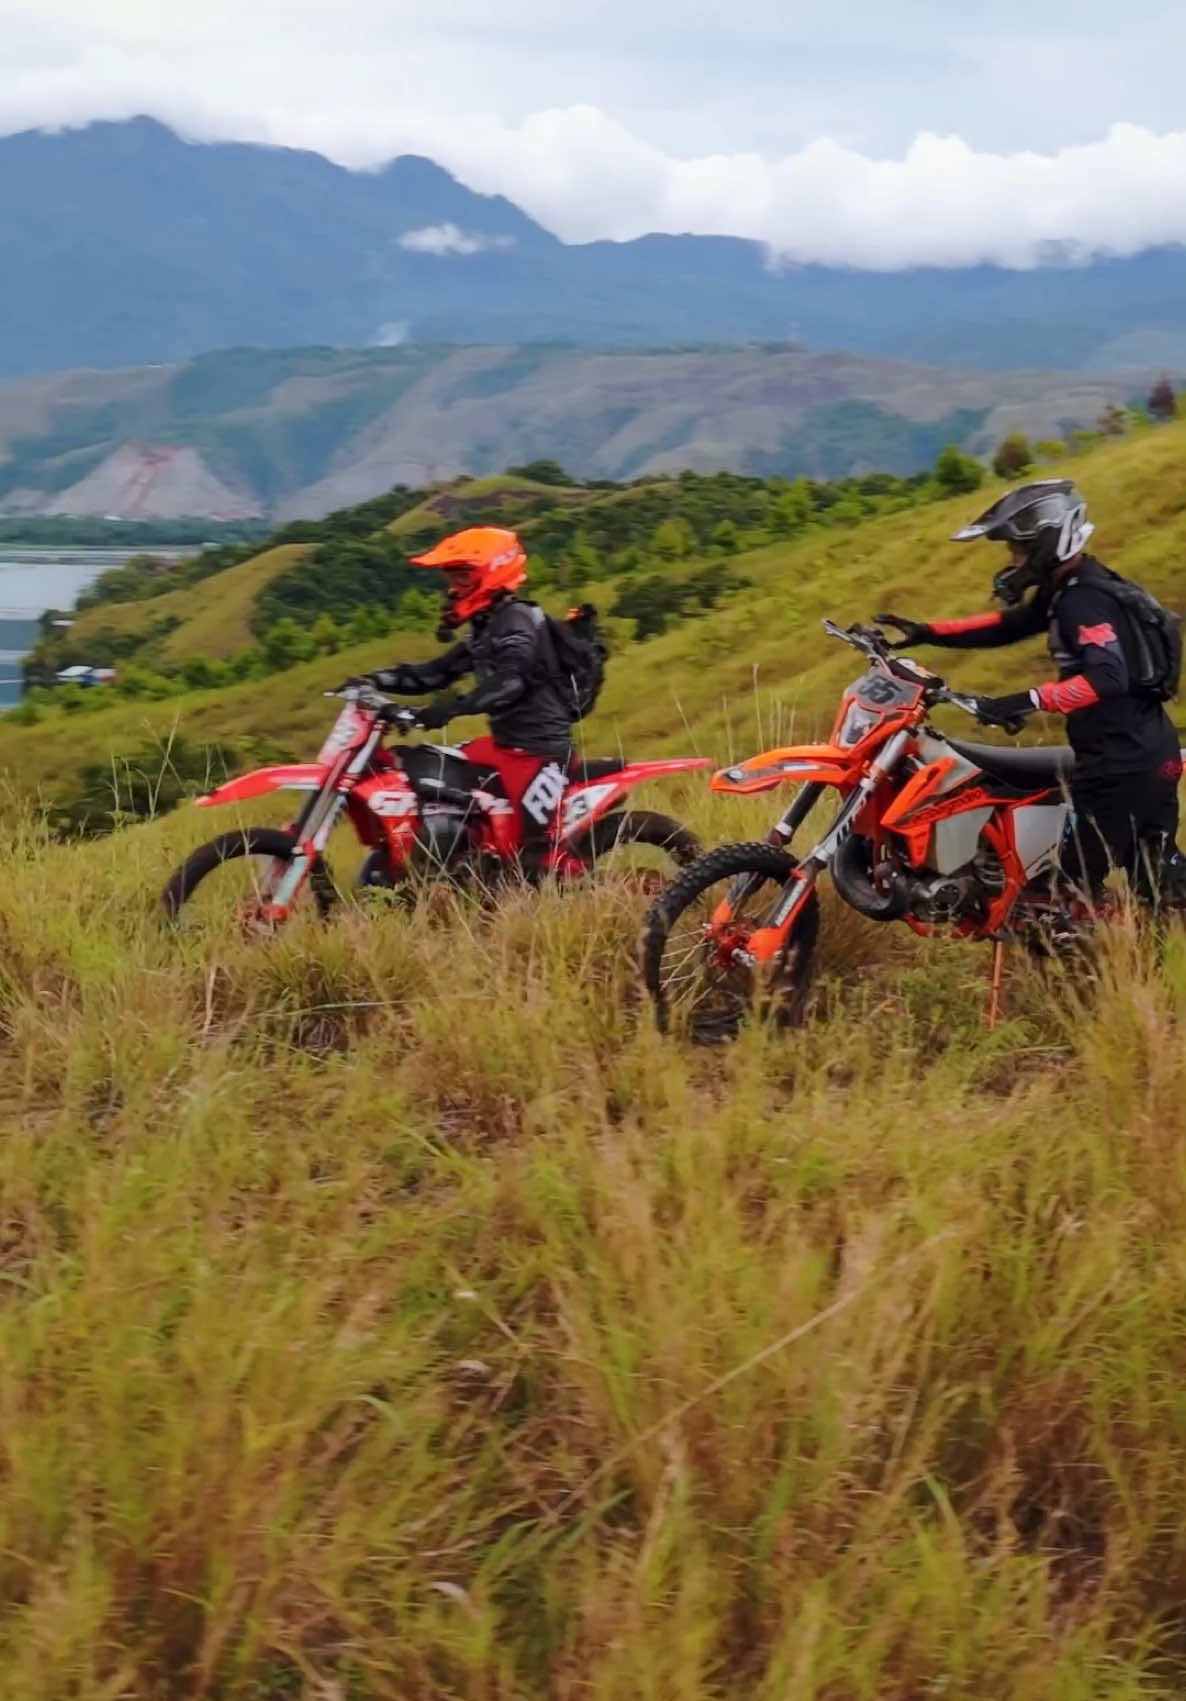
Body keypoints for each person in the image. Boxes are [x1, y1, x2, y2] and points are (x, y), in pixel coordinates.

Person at [878, 479, 1183, 906]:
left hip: (1121, 766)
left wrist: (1023, 701)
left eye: (1018, 550)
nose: (1014, 560)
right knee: (1159, 885)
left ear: (1045, 543)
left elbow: (1107, 678)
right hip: (1149, 755)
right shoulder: (1071, 588)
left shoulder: (1082, 601)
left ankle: (1087, 965)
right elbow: (1008, 626)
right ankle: (1150, 963)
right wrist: (928, 633)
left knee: (1054, 902)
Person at [355, 526, 575, 848]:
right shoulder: (487, 627)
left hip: (540, 752)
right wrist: (375, 679)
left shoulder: (518, 620)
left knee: (531, 851)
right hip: (503, 744)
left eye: (462, 578)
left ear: (493, 574)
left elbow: (511, 681)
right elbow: (438, 672)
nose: (453, 590)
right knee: (425, 775)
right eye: (451, 580)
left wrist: (453, 708)